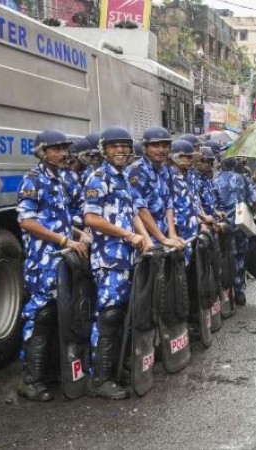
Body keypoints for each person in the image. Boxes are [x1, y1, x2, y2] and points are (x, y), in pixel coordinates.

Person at [16, 129, 88, 402]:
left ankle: (52, 372)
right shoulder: (33, 179)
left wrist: (79, 234)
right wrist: (63, 240)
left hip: (62, 258)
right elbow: (27, 222)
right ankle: (31, 380)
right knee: (41, 316)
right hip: (42, 260)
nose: (61, 153)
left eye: (63, 149)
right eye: (55, 149)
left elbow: (63, 216)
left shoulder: (63, 178)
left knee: (60, 313)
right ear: (42, 152)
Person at [83, 126, 153, 400]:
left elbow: (133, 212)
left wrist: (145, 239)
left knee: (123, 315)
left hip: (128, 257)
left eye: (125, 145)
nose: (121, 150)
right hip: (108, 260)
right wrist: (128, 235)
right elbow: (91, 219)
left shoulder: (123, 178)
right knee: (108, 317)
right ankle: (99, 379)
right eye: (115, 146)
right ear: (104, 149)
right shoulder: (97, 179)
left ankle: (113, 370)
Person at [214, 157, 256, 305]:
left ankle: (226, 291)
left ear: (221, 165)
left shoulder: (215, 181)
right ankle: (239, 289)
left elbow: (213, 204)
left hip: (223, 225)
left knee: (226, 257)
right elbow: (254, 200)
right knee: (240, 256)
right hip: (241, 223)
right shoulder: (242, 179)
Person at [126, 127, 184, 250]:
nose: (161, 150)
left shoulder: (165, 170)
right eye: (155, 146)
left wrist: (172, 235)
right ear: (145, 148)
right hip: (146, 240)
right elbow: (140, 208)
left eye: (164, 146)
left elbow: (169, 204)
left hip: (164, 237)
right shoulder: (136, 171)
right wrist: (162, 238)